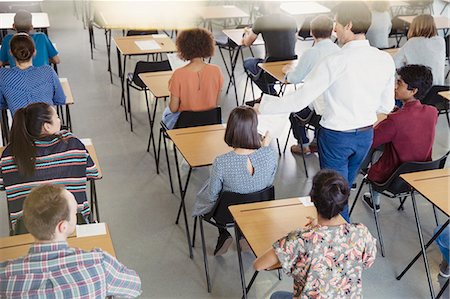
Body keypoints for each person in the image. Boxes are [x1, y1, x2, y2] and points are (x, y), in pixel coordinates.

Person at [257, 1, 395, 222]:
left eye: (337, 23)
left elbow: (299, 100)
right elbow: (386, 107)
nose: (334, 29)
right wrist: (361, 122)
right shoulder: (384, 59)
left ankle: (338, 240)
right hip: (366, 136)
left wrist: (263, 106)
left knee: (333, 195)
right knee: (343, 190)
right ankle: (341, 236)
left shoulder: (336, 61)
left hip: (336, 137)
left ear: (348, 24)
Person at [0, 184, 142, 298]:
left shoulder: (5, 276)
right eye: (74, 213)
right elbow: (135, 286)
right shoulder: (99, 263)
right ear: (63, 227)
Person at [254, 169, 377, 299]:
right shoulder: (361, 232)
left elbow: (258, 265)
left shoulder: (299, 239)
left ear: (313, 199)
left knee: (276, 296)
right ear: (344, 201)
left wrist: (291, 243)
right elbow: (368, 261)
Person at [0, 102, 99, 232]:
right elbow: (93, 172)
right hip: (73, 225)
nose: (59, 120)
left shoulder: (9, 154)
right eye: (56, 116)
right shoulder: (72, 144)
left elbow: (2, 184)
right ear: (47, 126)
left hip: (27, 231)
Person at [193, 106, 278, 256]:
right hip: (257, 209)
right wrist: (264, 146)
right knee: (244, 195)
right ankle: (244, 236)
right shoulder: (270, 154)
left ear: (231, 129)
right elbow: (268, 182)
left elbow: (212, 196)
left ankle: (224, 234)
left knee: (216, 195)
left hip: (226, 214)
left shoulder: (221, 162)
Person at [363, 65, 437, 211]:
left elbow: (371, 140)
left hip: (394, 178)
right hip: (422, 173)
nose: (395, 87)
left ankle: (372, 196)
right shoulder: (432, 112)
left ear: (413, 90)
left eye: (399, 83)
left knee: (371, 147)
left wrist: (380, 121)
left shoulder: (396, 120)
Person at [282, 15, 340, 155]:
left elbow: (295, 79)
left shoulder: (311, 52)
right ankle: (316, 139)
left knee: (294, 112)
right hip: (335, 106)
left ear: (312, 32)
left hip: (317, 109)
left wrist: (287, 72)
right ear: (332, 30)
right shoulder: (339, 50)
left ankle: (303, 145)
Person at [161, 28, 224, 129]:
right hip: (210, 122)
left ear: (183, 47)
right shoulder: (217, 71)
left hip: (184, 124)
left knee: (166, 113)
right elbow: (216, 104)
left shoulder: (178, 74)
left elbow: (173, 108)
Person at [0, 33, 66, 116]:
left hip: (20, 127)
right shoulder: (48, 71)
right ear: (34, 52)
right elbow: (60, 99)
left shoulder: (2, 76)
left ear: (10, 53)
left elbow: (1, 103)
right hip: (48, 126)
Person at [242, 2, 297, 95]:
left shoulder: (261, 21)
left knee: (248, 62)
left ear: (266, 4)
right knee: (265, 62)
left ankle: (271, 93)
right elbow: (295, 40)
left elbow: (247, 43)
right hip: (290, 66)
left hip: (269, 68)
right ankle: (266, 96)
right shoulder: (291, 19)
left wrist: (246, 34)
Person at [394, 14, 445, 85]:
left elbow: (396, 64)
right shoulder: (441, 41)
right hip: (438, 88)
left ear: (414, 27)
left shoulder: (412, 42)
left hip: (418, 90)